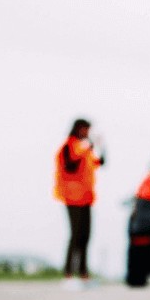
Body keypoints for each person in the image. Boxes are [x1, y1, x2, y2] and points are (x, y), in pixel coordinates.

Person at [53, 118, 105, 287]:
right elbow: (70, 164)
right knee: (75, 235)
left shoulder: (85, 148)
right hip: (72, 196)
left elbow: (99, 162)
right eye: (85, 130)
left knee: (85, 235)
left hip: (86, 197)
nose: (87, 133)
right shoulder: (69, 146)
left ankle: (83, 272)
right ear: (78, 129)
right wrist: (88, 146)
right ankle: (68, 272)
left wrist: (100, 146)